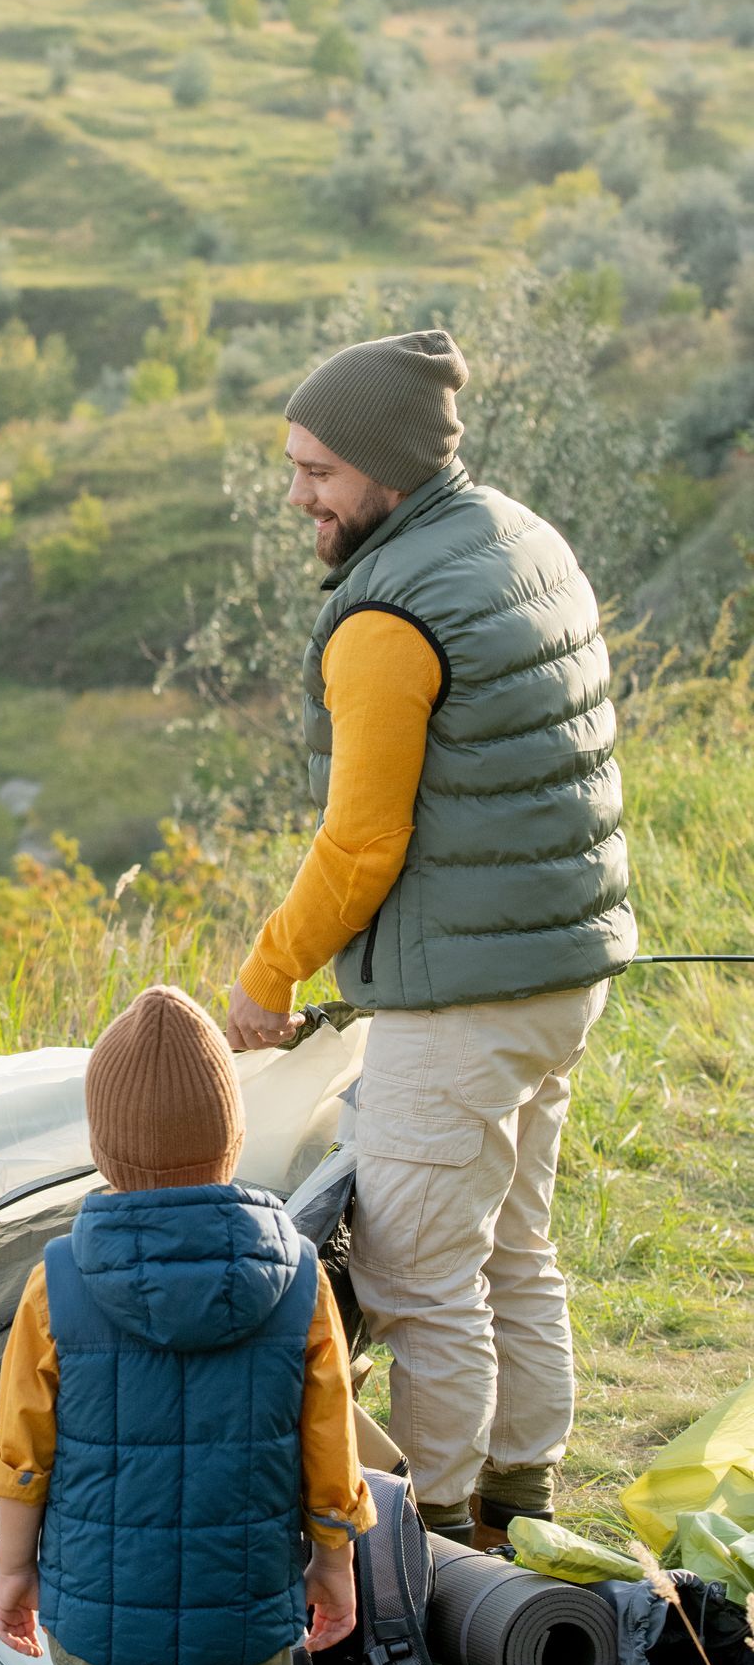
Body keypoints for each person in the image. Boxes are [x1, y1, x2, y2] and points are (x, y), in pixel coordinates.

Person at [225, 328, 634, 1548]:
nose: (298, 494)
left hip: (463, 1001)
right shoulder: (518, 537)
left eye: (320, 473)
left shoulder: (387, 619)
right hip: (559, 970)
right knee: (516, 1245)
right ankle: (528, 1500)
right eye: (295, 466)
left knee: (418, 1278)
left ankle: (447, 1537)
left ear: (388, 473)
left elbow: (361, 847)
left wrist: (266, 972)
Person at [0, 986, 371, 1665]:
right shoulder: (297, 1279)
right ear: (230, 1137)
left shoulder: (58, 1280)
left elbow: (21, 1452)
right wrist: (334, 1563)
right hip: (243, 1586)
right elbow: (329, 1452)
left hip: (99, 1592)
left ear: (106, 1145)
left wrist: (14, 1568)